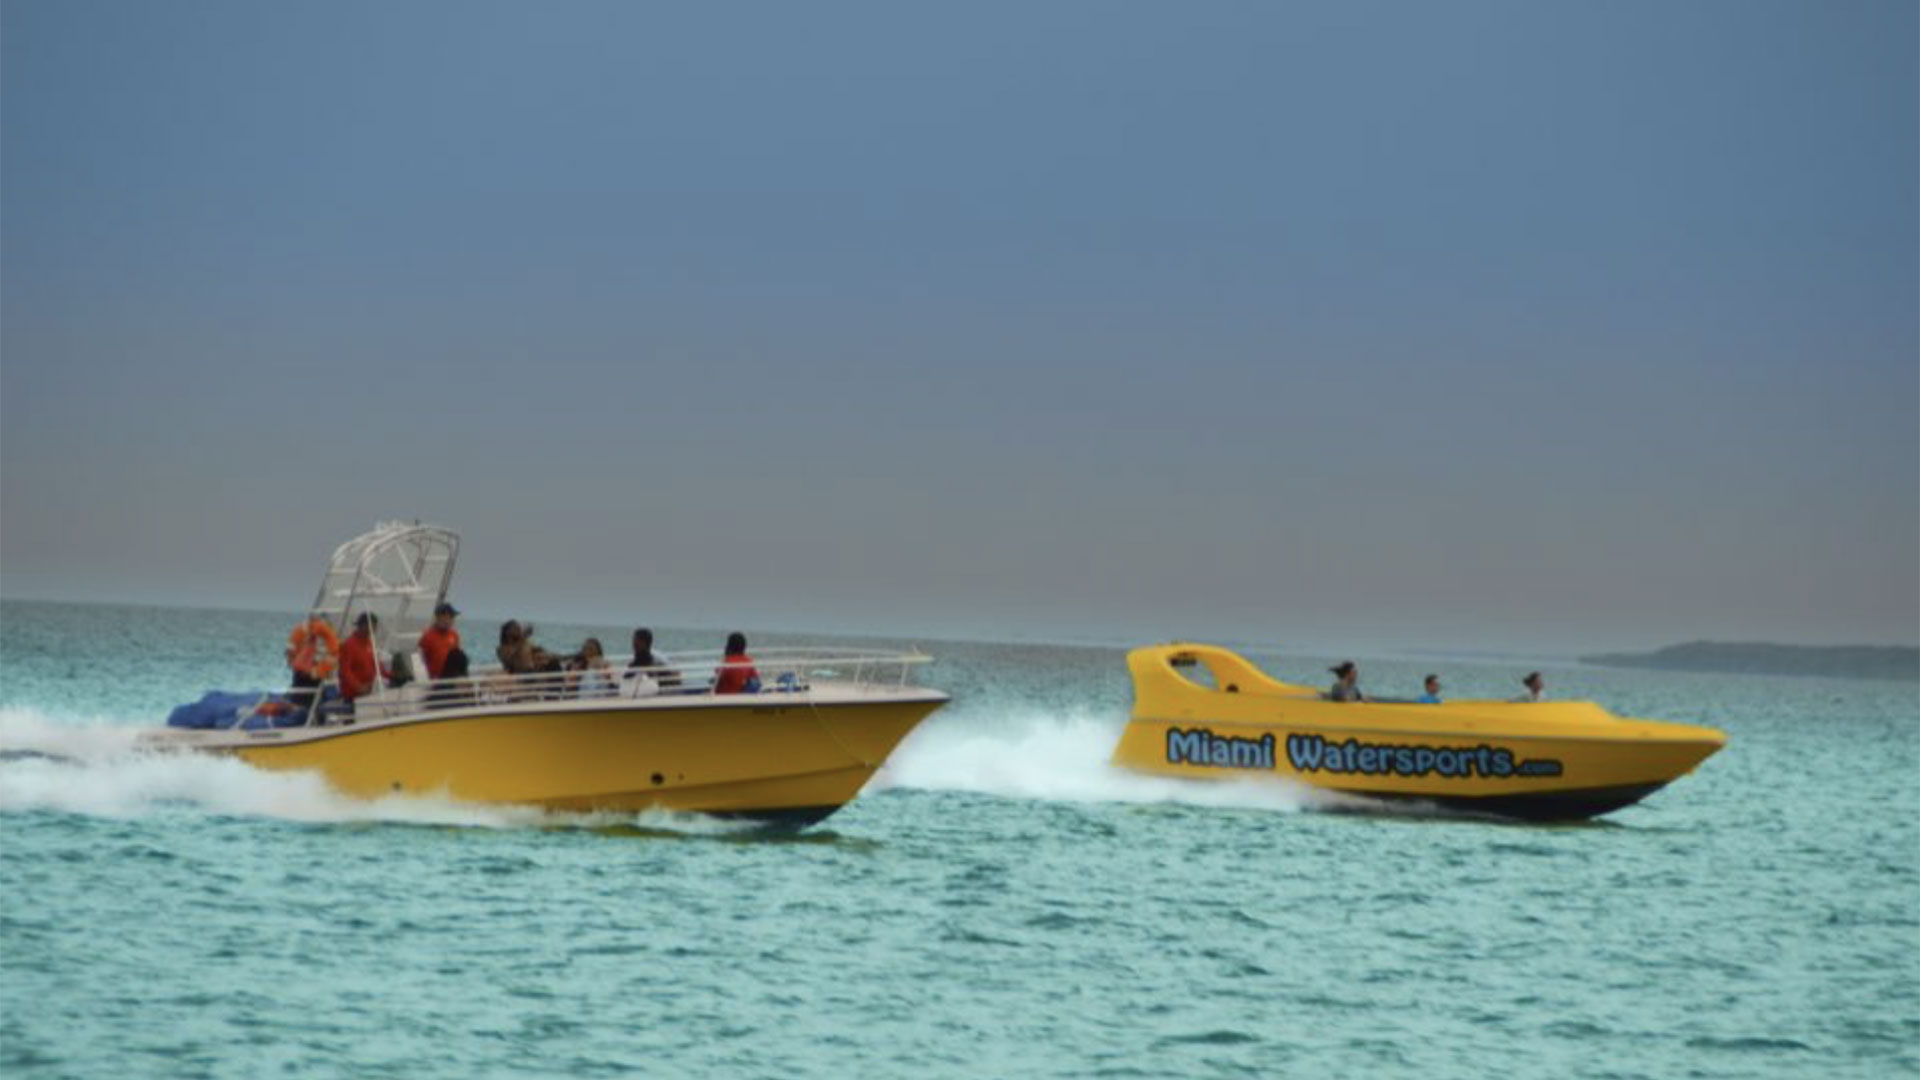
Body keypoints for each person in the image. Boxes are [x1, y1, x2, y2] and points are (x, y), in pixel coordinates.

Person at [338, 612, 391, 715]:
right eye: (372, 627)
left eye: (375, 627)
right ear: (362, 625)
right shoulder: (349, 645)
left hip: (370, 694)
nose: (374, 631)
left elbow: (377, 666)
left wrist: (391, 677)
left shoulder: (369, 644)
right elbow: (345, 671)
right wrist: (359, 687)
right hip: (353, 697)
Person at [625, 627, 682, 694]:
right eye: (634, 641)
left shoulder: (656, 662)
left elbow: (675, 677)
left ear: (644, 643)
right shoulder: (635, 661)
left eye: (635, 641)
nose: (633, 644)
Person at [418, 602, 462, 679]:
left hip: (452, 678)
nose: (448, 620)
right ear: (438, 618)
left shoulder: (454, 635)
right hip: (435, 680)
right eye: (445, 617)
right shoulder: (428, 637)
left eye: (451, 617)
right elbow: (420, 661)